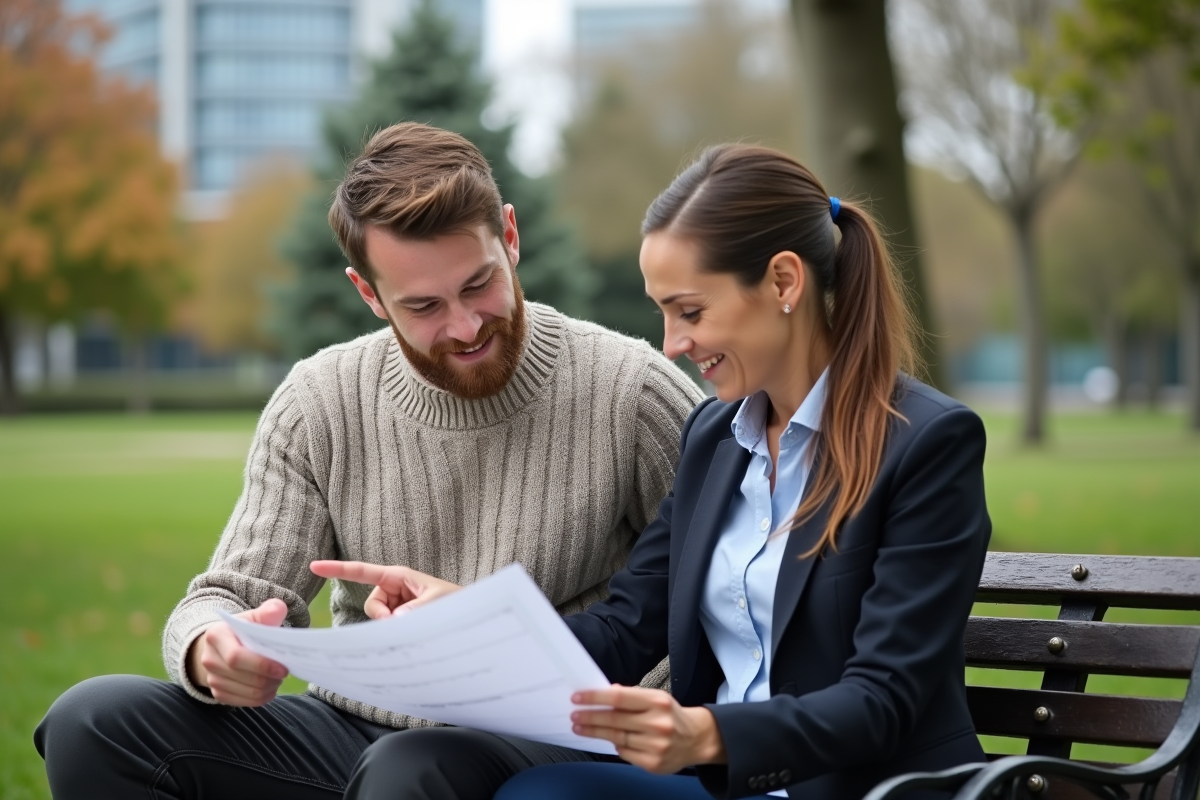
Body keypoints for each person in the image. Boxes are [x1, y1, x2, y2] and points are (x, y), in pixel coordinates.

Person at [34, 122, 704, 800]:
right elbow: (225, 596)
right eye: (424, 306)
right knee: (92, 722)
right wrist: (213, 648)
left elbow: (724, 598)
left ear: (510, 236)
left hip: (559, 737)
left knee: (412, 767)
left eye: (479, 285)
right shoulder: (319, 401)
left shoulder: (633, 391)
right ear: (369, 293)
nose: (467, 326)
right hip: (360, 732)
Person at [325, 144, 992, 800]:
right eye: (664, 312)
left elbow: (884, 699)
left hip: (867, 790)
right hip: (722, 788)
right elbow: (623, 630)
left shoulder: (926, 445)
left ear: (784, 282)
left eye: (691, 311)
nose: (672, 344)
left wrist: (708, 736)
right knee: (439, 767)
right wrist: (468, 620)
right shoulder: (717, 438)